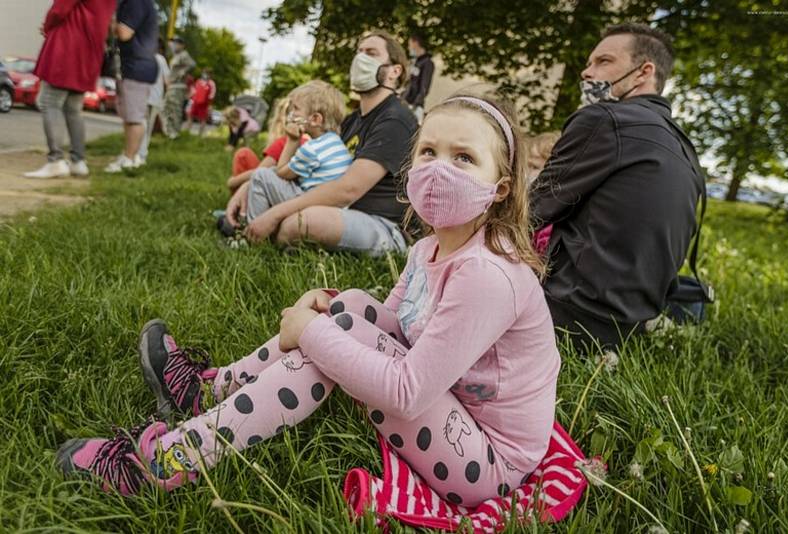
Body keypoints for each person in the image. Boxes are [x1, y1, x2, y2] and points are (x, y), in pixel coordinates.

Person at [56, 92, 561, 510]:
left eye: (464, 157)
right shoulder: (430, 246)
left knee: (326, 350)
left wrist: (310, 333)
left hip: (489, 464)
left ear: (498, 189)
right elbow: (389, 327)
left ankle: (166, 463)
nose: (438, 169)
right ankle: (208, 394)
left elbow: (406, 392)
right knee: (351, 306)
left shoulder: (489, 275)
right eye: (428, 152)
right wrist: (329, 309)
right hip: (448, 405)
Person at [530, 23, 704, 349]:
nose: (586, 72)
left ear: (643, 73)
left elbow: (530, 211)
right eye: (589, 62)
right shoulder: (686, 150)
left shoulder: (604, 120)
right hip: (628, 327)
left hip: (565, 317)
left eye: (603, 61)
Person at [225, 30, 417, 256]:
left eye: (371, 53)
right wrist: (249, 186)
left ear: (395, 71)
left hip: (383, 225)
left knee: (300, 222)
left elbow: (348, 189)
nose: (360, 59)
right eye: (359, 52)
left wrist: (275, 213)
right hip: (337, 210)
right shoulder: (351, 121)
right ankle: (264, 231)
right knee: (289, 210)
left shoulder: (395, 119)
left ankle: (263, 233)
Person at [219, 80, 352, 236]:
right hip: (330, 209)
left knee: (262, 175)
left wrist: (292, 140)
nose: (291, 113)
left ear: (315, 119)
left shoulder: (311, 149)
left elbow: (281, 173)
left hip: (310, 206)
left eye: (296, 108)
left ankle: (251, 233)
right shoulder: (336, 144)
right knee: (270, 173)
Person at [23, 0, 116, 179]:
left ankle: (56, 160)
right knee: (73, 109)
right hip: (90, 50)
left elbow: (59, 10)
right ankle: (78, 161)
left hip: (68, 45)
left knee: (50, 101)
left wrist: (47, 26)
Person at [104, 0, 159, 173]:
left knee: (134, 117)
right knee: (130, 115)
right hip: (135, 66)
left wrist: (111, 21)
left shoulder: (135, 2)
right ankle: (129, 155)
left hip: (137, 67)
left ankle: (129, 158)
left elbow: (124, 32)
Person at [225, 97, 299, 195]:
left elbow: (259, 172)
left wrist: (233, 181)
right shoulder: (309, 142)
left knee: (243, 153)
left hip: (271, 194)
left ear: (278, 120)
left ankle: (236, 204)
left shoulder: (282, 143)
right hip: (294, 194)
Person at [137, 38, 170, 165]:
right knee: (148, 128)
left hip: (143, 95)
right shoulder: (162, 60)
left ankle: (139, 153)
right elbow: (167, 82)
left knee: (140, 124)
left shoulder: (144, 56)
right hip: (155, 98)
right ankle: (142, 155)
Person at [162, 36, 195, 139]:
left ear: (182, 45)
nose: (173, 45)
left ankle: (175, 133)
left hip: (178, 86)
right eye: (173, 43)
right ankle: (169, 131)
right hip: (172, 86)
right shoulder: (176, 56)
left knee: (175, 109)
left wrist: (182, 72)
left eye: (176, 43)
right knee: (166, 108)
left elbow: (192, 64)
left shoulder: (184, 55)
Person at [402, 32, 435, 124]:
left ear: (415, 43)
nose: (409, 48)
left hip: (414, 106)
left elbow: (424, 87)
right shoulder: (415, 62)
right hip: (405, 102)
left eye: (409, 45)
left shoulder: (427, 63)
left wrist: (414, 104)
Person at [185, 68, 216, 137]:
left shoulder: (211, 83)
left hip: (204, 104)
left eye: (206, 73)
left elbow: (212, 94)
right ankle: (187, 132)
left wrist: (210, 105)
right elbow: (194, 91)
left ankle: (200, 135)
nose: (205, 74)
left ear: (210, 75)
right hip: (195, 102)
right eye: (204, 73)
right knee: (190, 116)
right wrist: (189, 97)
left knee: (203, 119)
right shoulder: (198, 81)